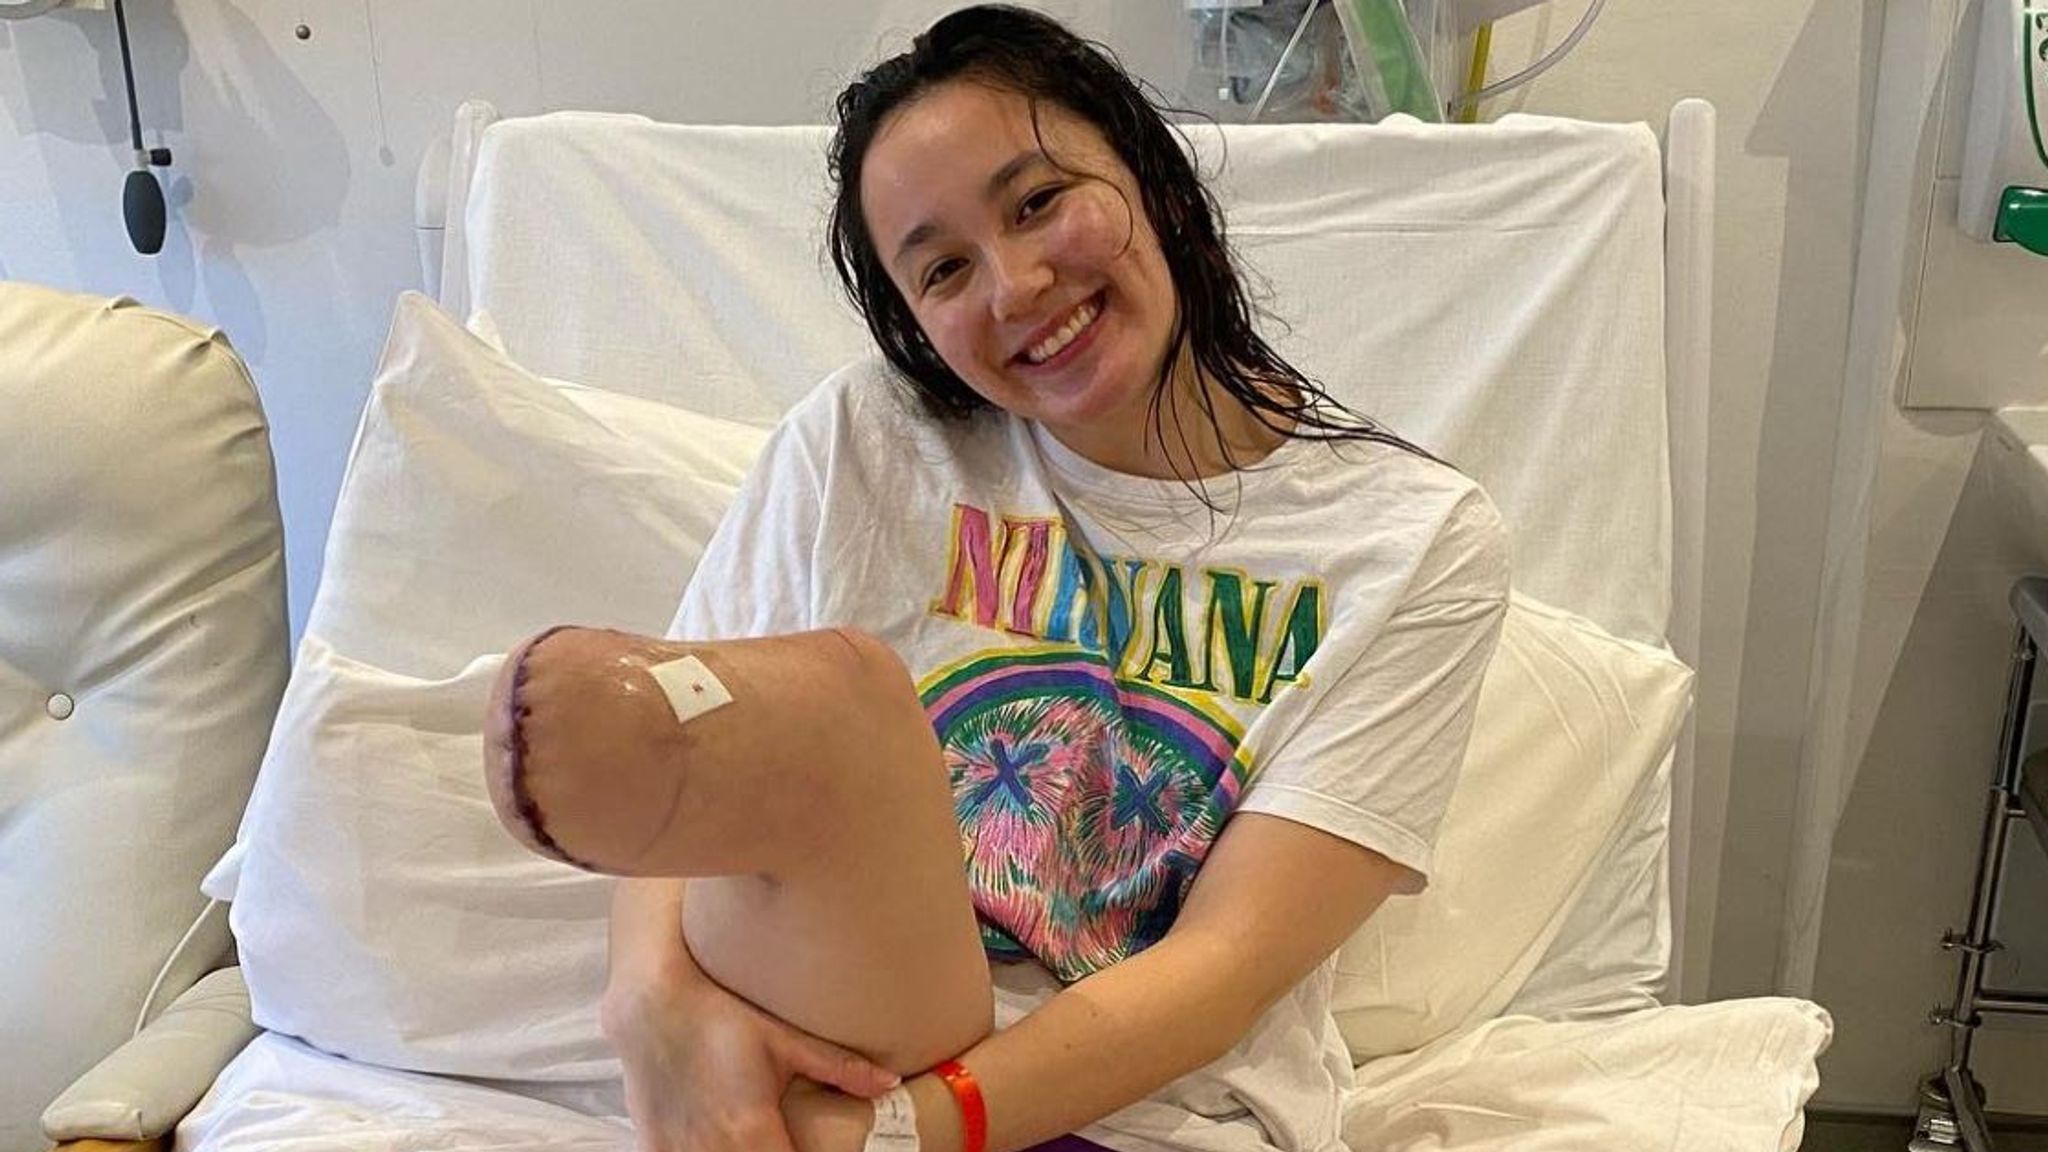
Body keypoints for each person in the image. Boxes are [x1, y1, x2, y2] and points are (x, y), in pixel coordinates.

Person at [486, 7, 1510, 1152]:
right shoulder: (864, 443)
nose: (1015, 286)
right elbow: (708, 794)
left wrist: (885, 1136)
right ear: (914, 328)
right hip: (814, 1042)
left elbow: (1222, 967)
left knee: (845, 696)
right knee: (786, 718)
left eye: (1036, 202)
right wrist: (650, 1009)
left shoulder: (1410, 545)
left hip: (1138, 1120)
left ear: (1155, 182)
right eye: (943, 269)